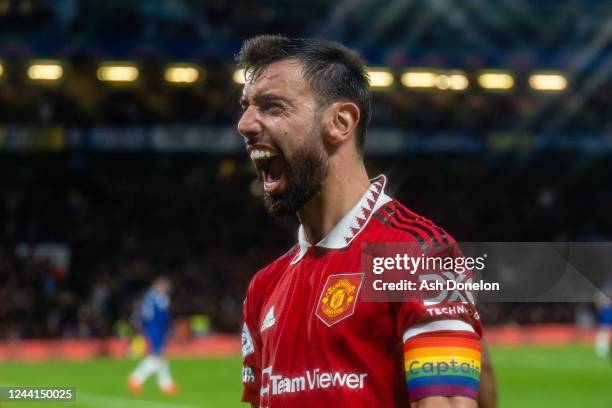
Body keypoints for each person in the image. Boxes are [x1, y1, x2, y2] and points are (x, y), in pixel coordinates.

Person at [237, 35, 495, 407]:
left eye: (272, 106)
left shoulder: (419, 256)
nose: (244, 124)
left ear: (340, 122)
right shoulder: (263, 288)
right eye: (245, 107)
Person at [127, 277, 178, 395]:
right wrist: (146, 328)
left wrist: (168, 328)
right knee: (156, 356)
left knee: (160, 357)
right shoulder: (151, 297)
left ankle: (166, 384)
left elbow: (164, 316)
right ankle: (136, 379)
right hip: (154, 329)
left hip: (159, 329)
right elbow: (147, 314)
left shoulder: (160, 297)